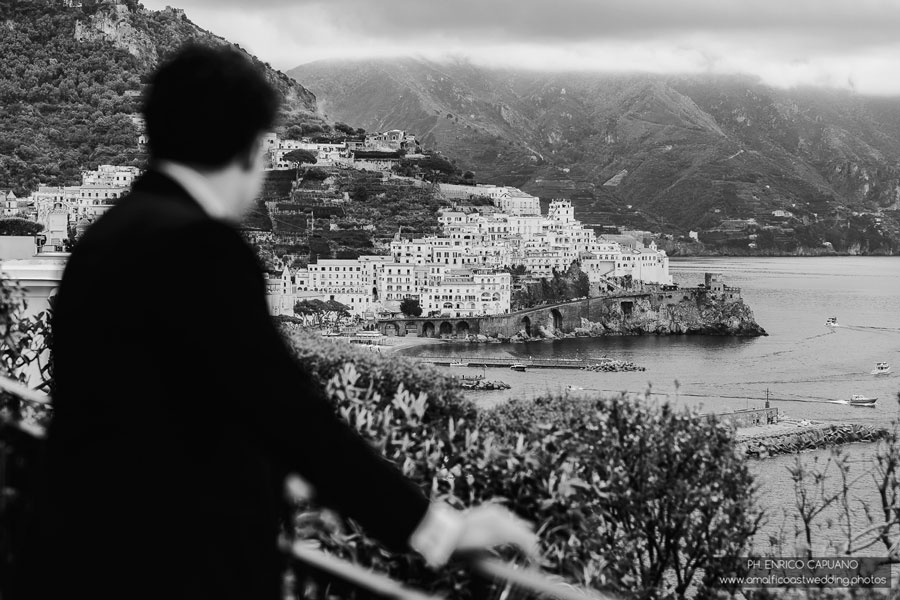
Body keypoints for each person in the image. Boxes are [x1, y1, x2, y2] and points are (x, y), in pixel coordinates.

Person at [20, 45, 535, 599]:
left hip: (76, 545)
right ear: (252, 146)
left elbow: (160, 401)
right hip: (175, 564)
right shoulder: (203, 247)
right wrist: (435, 527)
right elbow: (286, 407)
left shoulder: (103, 238)